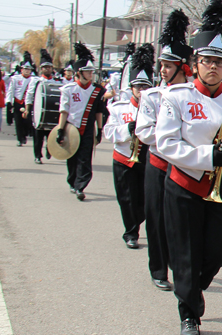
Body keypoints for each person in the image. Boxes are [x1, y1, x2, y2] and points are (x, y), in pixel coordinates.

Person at [156, 0, 222, 335]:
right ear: (195, 63)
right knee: (184, 254)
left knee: (219, 249)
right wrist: (207, 156)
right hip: (183, 185)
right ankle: (189, 314)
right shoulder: (176, 97)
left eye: (219, 62)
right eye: (207, 61)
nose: (213, 67)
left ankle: (192, 290)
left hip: (221, 186)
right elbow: (167, 144)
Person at [135, 8, 194, 291]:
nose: (162, 71)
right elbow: (144, 132)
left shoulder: (194, 94)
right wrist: (173, 140)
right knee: (156, 220)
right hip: (159, 165)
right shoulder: (151, 95)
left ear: (183, 68)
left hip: (186, 168)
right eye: (161, 66)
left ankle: (182, 268)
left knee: (182, 224)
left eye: (168, 66)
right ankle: (158, 268)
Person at [104, 44, 154, 249]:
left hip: (146, 158)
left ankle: (137, 221)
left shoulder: (155, 109)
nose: (142, 91)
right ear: (131, 88)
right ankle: (130, 232)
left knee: (144, 200)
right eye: (138, 87)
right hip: (124, 159)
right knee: (126, 198)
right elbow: (108, 132)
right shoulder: (118, 108)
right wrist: (127, 129)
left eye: (145, 87)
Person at [56, 43, 108, 201]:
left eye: (92, 72)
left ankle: (80, 186)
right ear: (79, 73)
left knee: (85, 158)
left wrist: (99, 130)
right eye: (87, 72)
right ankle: (72, 181)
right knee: (72, 158)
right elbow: (64, 111)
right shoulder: (68, 89)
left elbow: (99, 111)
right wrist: (60, 129)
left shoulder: (97, 90)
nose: (90, 75)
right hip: (71, 128)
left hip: (88, 129)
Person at [24, 49, 57, 163]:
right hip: (38, 112)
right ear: (41, 69)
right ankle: (37, 156)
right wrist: (28, 109)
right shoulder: (36, 81)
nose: (47, 69)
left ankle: (49, 149)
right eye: (45, 67)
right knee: (38, 136)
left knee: (51, 136)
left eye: (49, 67)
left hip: (52, 113)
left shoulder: (58, 82)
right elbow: (29, 95)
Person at [10, 53, 35, 146]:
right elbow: (11, 91)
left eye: (28, 69)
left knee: (28, 121)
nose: (27, 71)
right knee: (18, 122)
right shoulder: (15, 78)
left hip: (28, 103)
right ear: (21, 70)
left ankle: (24, 134)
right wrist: (9, 102)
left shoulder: (34, 80)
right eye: (25, 69)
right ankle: (20, 139)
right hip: (18, 102)